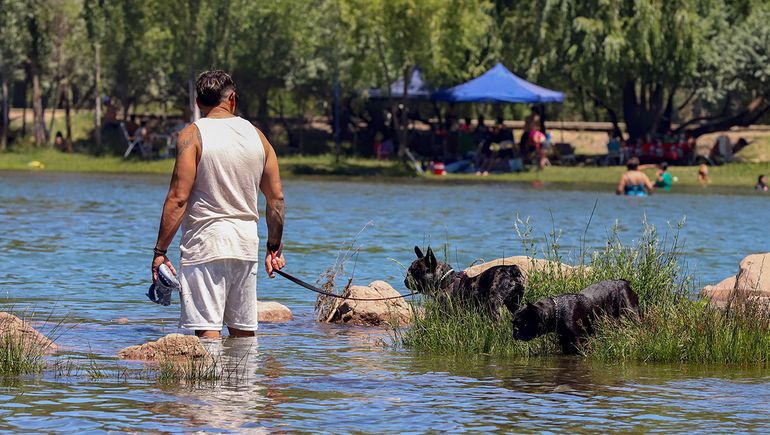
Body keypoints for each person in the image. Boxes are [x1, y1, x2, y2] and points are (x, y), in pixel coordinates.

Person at [151, 70, 286, 339]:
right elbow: (276, 200)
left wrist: (159, 251)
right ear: (232, 99)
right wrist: (273, 248)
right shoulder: (258, 137)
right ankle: (243, 381)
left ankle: (208, 383)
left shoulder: (192, 135)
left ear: (199, 103)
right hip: (245, 246)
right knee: (244, 336)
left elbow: (178, 198)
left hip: (205, 246)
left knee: (208, 335)